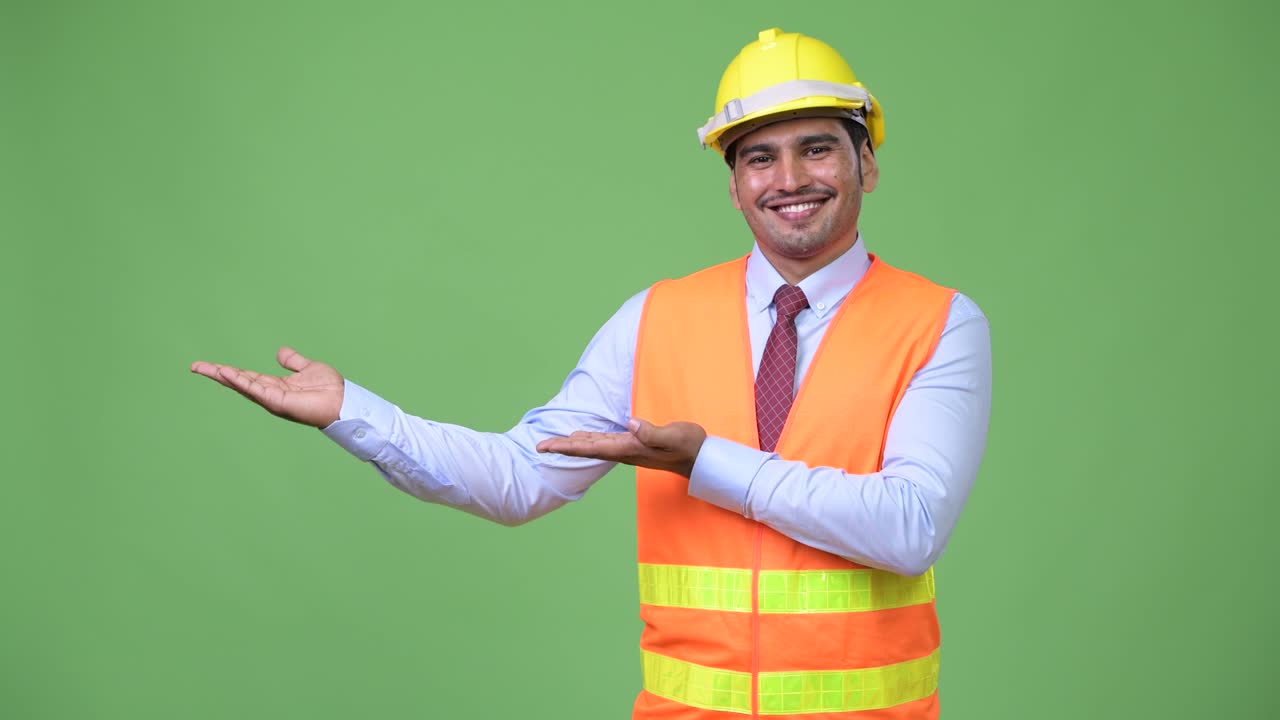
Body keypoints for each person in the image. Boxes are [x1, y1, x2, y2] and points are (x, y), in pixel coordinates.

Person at [192, 27, 991, 719]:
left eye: (817, 147)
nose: (789, 179)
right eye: (759, 157)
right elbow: (518, 478)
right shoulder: (656, 318)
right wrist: (351, 412)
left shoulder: (938, 323)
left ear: (867, 164)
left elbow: (909, 527)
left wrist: (703, 463)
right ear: (734, 184)